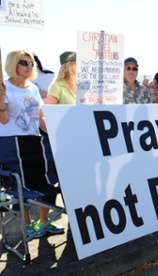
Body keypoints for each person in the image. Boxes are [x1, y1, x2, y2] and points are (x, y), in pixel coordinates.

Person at [0, 49, 64, 238]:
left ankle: (45, 221)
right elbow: (3, 120)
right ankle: (28, 223)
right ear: (13, 64)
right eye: (24, 63)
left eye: (31, 63)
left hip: (35, 141)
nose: (29, 66)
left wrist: (54, 136)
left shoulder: (33, 88)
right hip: (12, 144)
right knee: (23, 182)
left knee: (51, 175)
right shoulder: (4, 87)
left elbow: (40, 117)